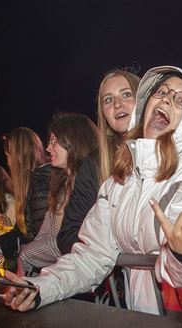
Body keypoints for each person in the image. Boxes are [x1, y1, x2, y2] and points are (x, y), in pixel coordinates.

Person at [3, 66, 182, 315]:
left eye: (181, 99)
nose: (165, 98)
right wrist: (41, 288)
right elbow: (91, 256)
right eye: (161, 92)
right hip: (137, 320)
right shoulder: (119, 180)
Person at [57, 70, 140, 255]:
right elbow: (68, 235)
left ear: (143, 100)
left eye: (126, 94)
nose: (118, 104)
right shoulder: (96, 161)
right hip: (115, 279)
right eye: (108, 100)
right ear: (103, 113)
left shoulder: (168, 152)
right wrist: (108, 253)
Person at [17, 113, 98, 276]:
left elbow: (69, 242)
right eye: (49, 141)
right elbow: (45, 234)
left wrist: (26, 255)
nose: (48, 148)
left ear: (75, 141)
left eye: (55, 141)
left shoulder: (90, 184)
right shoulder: (60, 185)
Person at [0, 127, 51, 271]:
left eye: (8, 156)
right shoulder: (31, 185)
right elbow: (22, 231)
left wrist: (5, 263)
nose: (8, 163)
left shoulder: (40, 184)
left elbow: (43, 243)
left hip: (46, 271)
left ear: (18, 157)